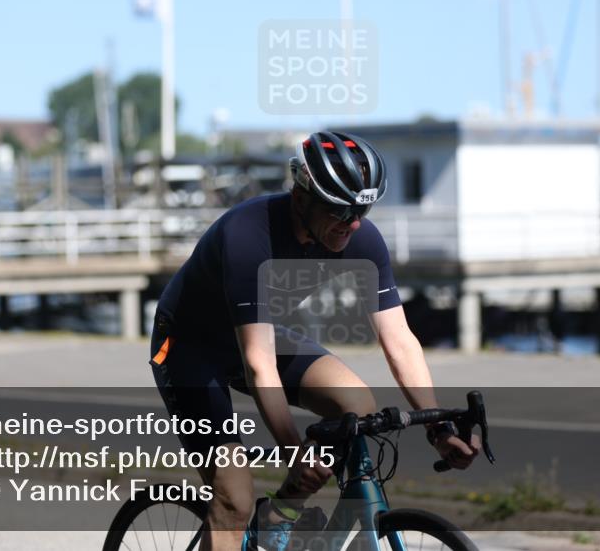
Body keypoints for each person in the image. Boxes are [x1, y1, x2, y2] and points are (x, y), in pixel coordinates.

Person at [149, 131, 481, 551]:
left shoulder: (361, 238)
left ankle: (280, 514)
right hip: (189, 349)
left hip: (256, 336)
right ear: (302, 196)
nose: (353, 223)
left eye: (362, 209)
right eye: (340, 211)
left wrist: (438, 426)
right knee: (233, 498)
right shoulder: (249, 236)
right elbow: (258, 365)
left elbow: (398, 338)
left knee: (357, 405)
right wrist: (294, 452)